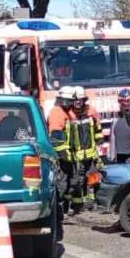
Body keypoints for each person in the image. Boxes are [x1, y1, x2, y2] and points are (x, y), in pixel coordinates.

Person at [71, 86, 104, 213]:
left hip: (90, 153)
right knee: (78, 180)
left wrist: (99, 139)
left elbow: (97, 128)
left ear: (84, 99)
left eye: (80, 99)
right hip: (76, 154)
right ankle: (79, 205)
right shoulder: (69, 113)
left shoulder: (91, 111)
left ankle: (92, 202)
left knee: (93, 177)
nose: (78, 101)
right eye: (76, 99)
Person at [47, 86, 78, 215]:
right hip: (61, 157)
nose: (72, 103)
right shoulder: (58, 113)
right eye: (70, 101)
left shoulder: (65, 112)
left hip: (68, 155)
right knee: (62, 183)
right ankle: (59, 209)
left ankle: (64, 208)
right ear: (64, 100)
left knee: (70, 181)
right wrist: (64, 155)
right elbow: (56, 139)